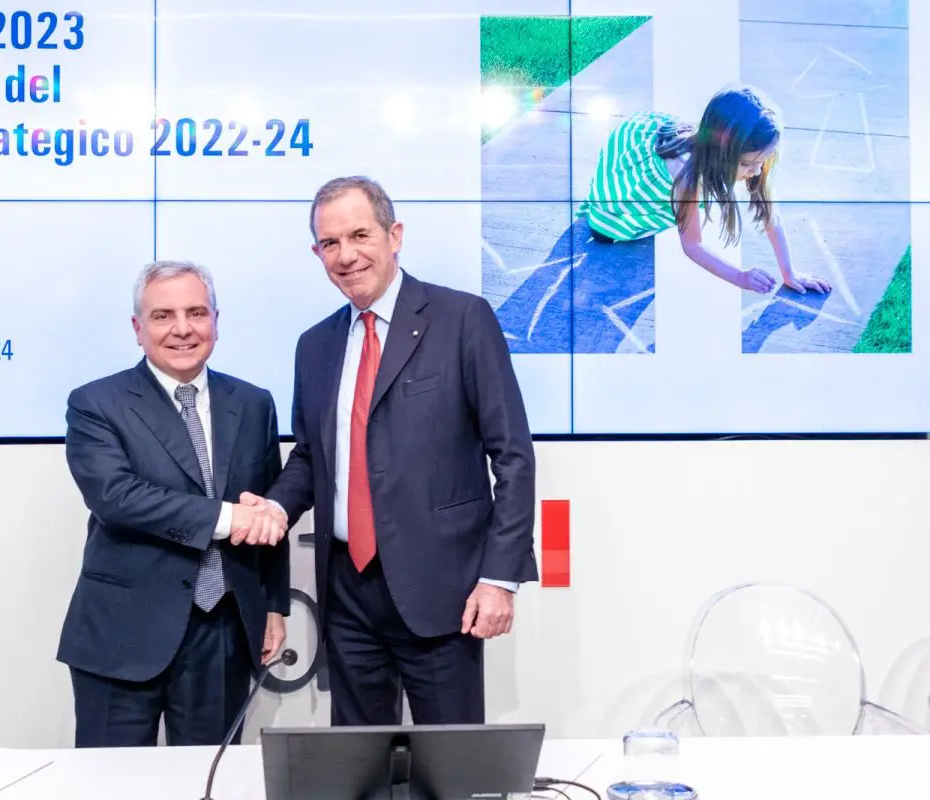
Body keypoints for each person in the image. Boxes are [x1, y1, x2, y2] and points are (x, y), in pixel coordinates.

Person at [241, 176, 538, 726]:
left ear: (394, 235)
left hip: (444, 589)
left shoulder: (462, 319)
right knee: (357, 761)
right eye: (330, 243)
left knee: (450, 763)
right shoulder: (315, 344)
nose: (346, 255)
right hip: (347, 592)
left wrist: (500, 577)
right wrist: (277, 507)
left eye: (360, 235)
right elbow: (311, 456)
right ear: (317, 253)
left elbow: (513, 457)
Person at [57, 260, 289, 748]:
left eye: (196, 313)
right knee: (110, 782)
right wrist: (227, 517)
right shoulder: (96, 403)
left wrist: (273, 604)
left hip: (223, 630)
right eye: (163, 316)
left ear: (216, 321)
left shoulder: (253, 403)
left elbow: (268, 509)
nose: (182, 329)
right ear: (137, 328)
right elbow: (116, 498)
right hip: (123, 633)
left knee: (207, 779)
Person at [576, 84, 831, 296]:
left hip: (685, 162)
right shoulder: (687, 176)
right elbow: (692, 245)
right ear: (721, 152)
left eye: (761, 162)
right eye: (747, 164)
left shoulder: (751, 153)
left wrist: (789, 273)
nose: (756, 171)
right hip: (630, 186)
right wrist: (740, 277)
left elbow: (768, 210)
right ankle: (608, 217)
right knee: (602, 234)